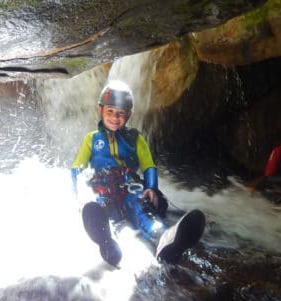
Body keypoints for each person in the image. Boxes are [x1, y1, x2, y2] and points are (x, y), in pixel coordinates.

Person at [71, 80, 205, 266]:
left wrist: (151, 188)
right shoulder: (91, 139)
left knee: (142, 207)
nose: (115, 118)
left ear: (128, 116)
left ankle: (164, 239)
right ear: (100, 110)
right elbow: (77, 168)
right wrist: (81, 195)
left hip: (129, 186)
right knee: (101, 208)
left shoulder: (135, 138)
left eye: (121, 114)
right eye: (110, 111)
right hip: (102, 187)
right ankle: (107, 243)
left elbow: (148, 165)